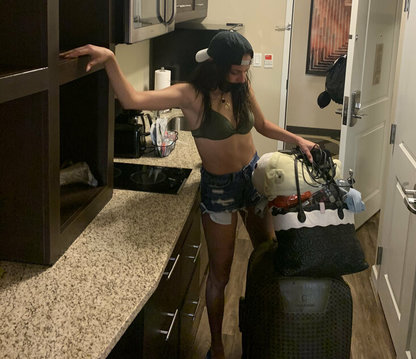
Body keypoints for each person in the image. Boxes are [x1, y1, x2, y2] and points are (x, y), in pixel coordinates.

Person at [61, 30, 315, 359]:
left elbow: (263, 125)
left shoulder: (241, 88)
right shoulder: (190, 94)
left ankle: (262, 327)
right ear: (217, 65)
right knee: (221, 274)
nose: (242, 78)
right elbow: (131, 99)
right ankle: (218, 347)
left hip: (253, 179)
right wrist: (110, 59)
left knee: (266, 255)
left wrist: (299, 140)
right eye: (235, 71)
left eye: (245, 71)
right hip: (220, 190)